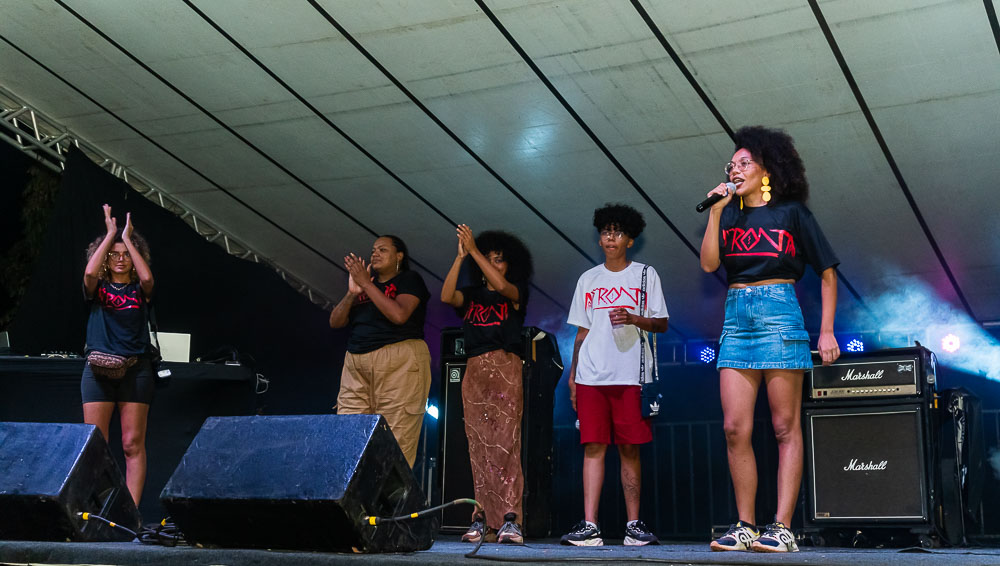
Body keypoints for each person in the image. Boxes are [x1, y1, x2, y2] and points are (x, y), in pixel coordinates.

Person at [700, 126, 840, 553]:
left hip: (780, 309)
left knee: (784, 426)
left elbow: (828, 272)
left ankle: (781, 527)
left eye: (744, 162)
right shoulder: (730, 214)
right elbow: (709, 265)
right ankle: (745, 524)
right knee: (733, 428)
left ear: (766, 170)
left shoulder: (792, 213)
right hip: (736, 316)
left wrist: (827, 329)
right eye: (732, 164)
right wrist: (715, 212)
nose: (735, 168)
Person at [561, 204, 668, 547]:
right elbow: (581, 332)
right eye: (606, 231)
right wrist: (574, 375)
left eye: (618, 232)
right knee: (592, 446)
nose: (610, 237)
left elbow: (662, 324)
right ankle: (589, 526)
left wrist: (634, 318)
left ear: (630, 240)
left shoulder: (645, 275)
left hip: (631, 376)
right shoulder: (588, 279)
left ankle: (634, 525)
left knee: (629, 448)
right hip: (592, 374)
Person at [441, 225, 533, 544]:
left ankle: (510, 519)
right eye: (489, 258)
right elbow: (445, 295)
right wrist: (460, 257)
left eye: (499, 259)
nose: (493, 263)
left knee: (505, 444)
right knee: (479, 448)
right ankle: (482, 519)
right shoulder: (473, 296)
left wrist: (476, 252)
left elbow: (504, 288)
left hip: (506, 367)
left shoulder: (516, 291)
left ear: (509, 265)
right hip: (475, 370)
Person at [329, 235, 432, 468]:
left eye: (383, 250)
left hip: (399, 363)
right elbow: (335, 322)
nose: (374, 253)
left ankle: (394, 503)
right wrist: (352, 294)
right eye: (373, 250)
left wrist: (367, 284)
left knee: (395, 442)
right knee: (348, 437)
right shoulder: (364, 287)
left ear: (399, 256)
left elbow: (399, 315)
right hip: (356, 363)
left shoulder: (409, 279)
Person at [82, 204, 155, 507]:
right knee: (95, 446)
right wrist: (111, 234)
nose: (120, 259)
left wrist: (127, 237)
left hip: (135, 370)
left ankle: (131, 515)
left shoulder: (140, 290)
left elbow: (148, 278)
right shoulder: (96, 288)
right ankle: (99, 511)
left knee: (131, 444)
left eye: (125, 254)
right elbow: (88, 272)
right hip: (98, 371)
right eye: (114, 254)